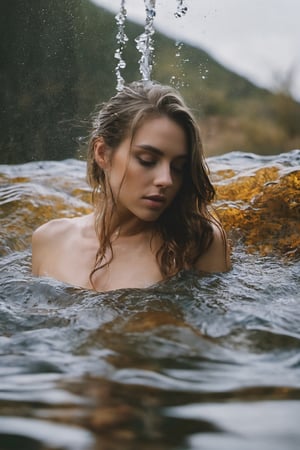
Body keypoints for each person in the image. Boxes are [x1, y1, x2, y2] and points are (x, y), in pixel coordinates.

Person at [32, 81, 231, 292]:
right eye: (147, 160)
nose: (166, 179)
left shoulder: (196, 245)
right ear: (102, 153)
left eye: (178, 167)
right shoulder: (49, 240)